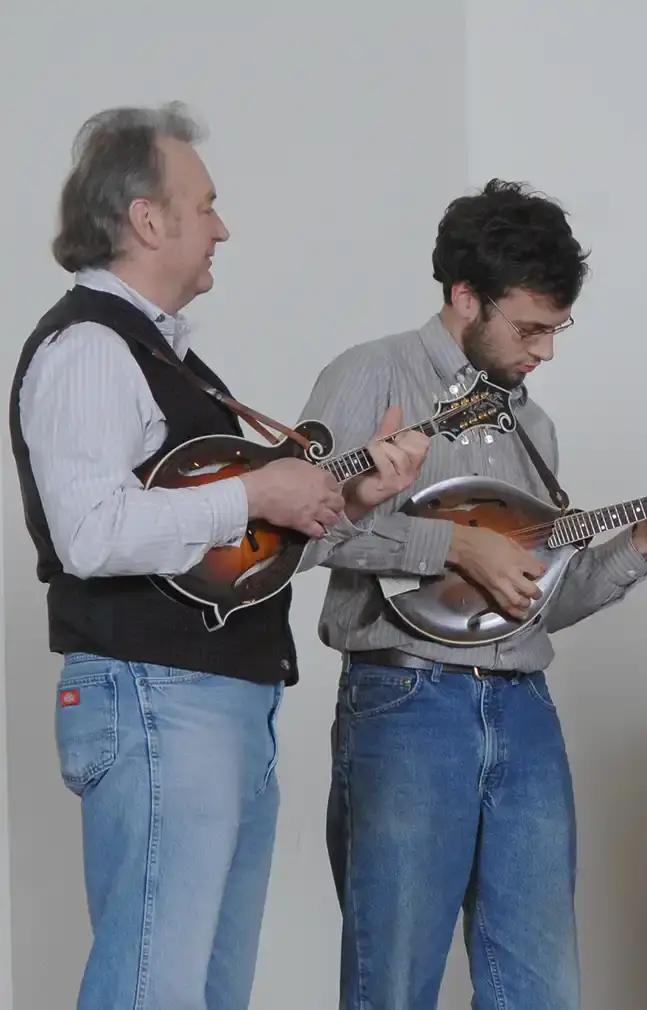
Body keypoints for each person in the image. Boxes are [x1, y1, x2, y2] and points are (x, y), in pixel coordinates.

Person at [7, 102, 428, 1010]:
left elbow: (221, 557)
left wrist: (341, 499)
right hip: (159, 696)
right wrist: (255, 493)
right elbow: (89, 534)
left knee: (203, 990)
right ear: (146, 219)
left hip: (209, 700)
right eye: (206, 205)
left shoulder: (169, 360)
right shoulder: (89, 349)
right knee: (155, 986)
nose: (222, 226)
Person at [297, 178, 647, 1010]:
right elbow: (304, 531)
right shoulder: (371, 374)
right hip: (407, 704)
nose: (546, 352)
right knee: (393, 984)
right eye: (531, 328)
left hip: (525, 710)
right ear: (466, 296)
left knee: (540, 991)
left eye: (556, 328)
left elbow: (536, 600)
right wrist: (452, 543)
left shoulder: (533, 426)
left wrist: (644, 544)